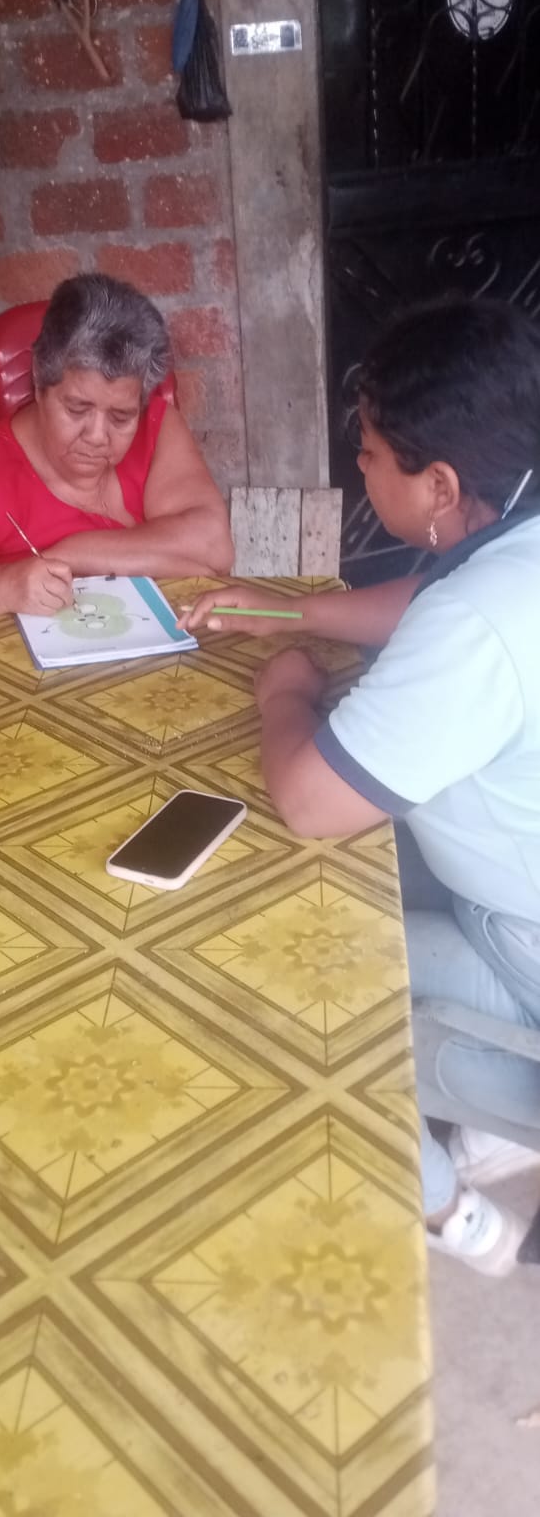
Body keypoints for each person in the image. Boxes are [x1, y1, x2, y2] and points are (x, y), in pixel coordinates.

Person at [178, 297, 540, 1277]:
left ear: (439, 483)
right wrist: (286, 610)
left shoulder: (479, 625)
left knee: (287, 973)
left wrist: (286, 691)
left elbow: (311, 800)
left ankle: (453, 1210)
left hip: (523, 958)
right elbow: (431, 601)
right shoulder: (512, 542)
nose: (360, 469)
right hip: (511, 892)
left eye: (371, 455)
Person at [0, 274, 234, 616]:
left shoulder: (156, 428)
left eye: (121, 417)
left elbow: (214, 548)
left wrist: (72, 554)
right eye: (77, 408)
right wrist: (2, 587)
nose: (97, 435)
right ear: (39, 383)